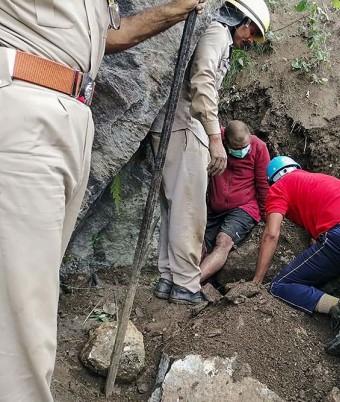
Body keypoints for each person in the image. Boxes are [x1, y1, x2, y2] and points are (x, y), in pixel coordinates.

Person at [0, 0, 206, 400]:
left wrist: (175, 10)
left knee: (26, 292)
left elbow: (111, 34)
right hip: (24, 100)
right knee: (23, 317)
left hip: (72, 116)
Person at [150, 0, 271, 304]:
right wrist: (215, 137)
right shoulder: (217, 33)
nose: (250, 40)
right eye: (252, 33)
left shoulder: (215, 34)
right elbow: (203, 79)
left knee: (174, 207)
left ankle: (169, 278)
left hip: (172, 126)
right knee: (189, 209)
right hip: (185, 127)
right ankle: (186, 285)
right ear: (242, 20)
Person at [252, 156, 340, 357]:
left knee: (280, 285)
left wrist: (257, 280)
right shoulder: (320, 179)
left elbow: (271, 234)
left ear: (272, 180)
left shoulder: (279, 187)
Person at [199, 120, 270, 283]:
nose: (241, 152)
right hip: (213, 207)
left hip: (244, 206)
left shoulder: (259, 147)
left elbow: (263, 184)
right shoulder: (215, 139)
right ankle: (184, 280)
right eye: (236, 149)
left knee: (223, 241)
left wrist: (266, 214)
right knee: (198, 245)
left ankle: (190, 284)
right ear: (226, 142)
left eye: (245, 147)